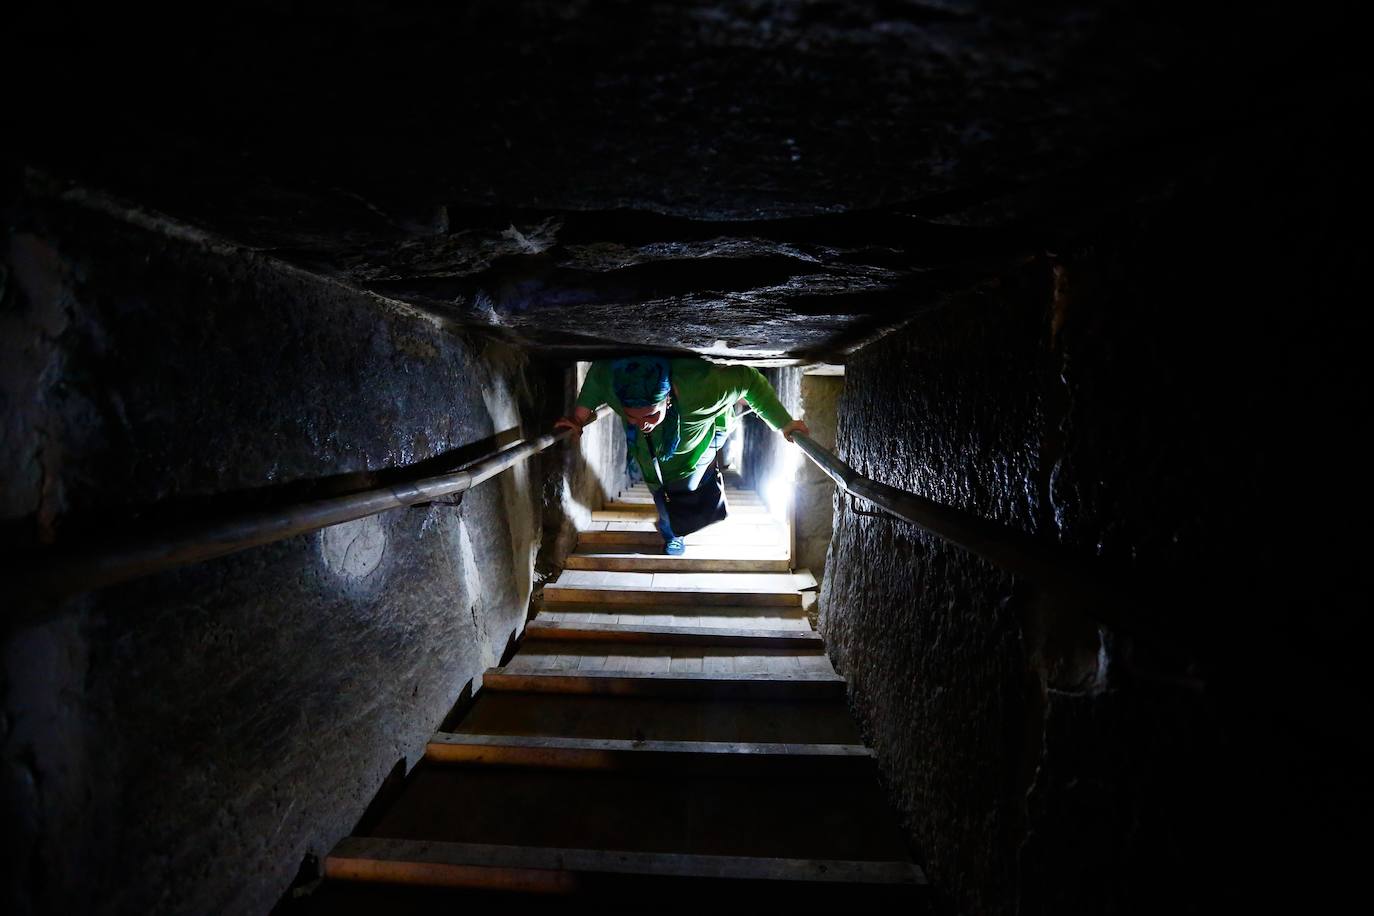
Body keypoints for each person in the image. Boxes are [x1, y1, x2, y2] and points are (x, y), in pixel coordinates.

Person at [555, 356, 809, 555]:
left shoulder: (701, 391)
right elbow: (598, 375)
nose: (643, 424)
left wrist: (785, 424)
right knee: (660, 494)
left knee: (685, 489)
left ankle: (679, 523)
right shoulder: (613, 381)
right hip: (650, 457)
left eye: (650, 415)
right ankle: (672, 528)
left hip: (698, 446)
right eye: (632, 416)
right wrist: (577, 419)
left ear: (666, 398)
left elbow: (749, 381)